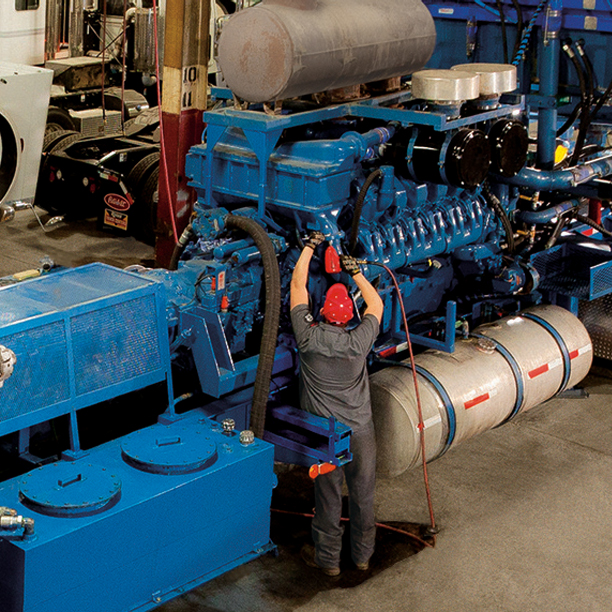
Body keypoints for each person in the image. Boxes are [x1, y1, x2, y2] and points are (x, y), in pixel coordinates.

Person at [290, 231, 384, 577]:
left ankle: (328, 561)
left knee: (328, 497)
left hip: (328, 437)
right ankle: (362, 556)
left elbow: (297, 287)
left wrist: (308, 247)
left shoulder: (308, 337)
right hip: (361, 432)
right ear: (350, 315)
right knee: (363, 495)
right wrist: (356, 272)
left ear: (322, 312)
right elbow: (377, 305)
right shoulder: (359, 341)